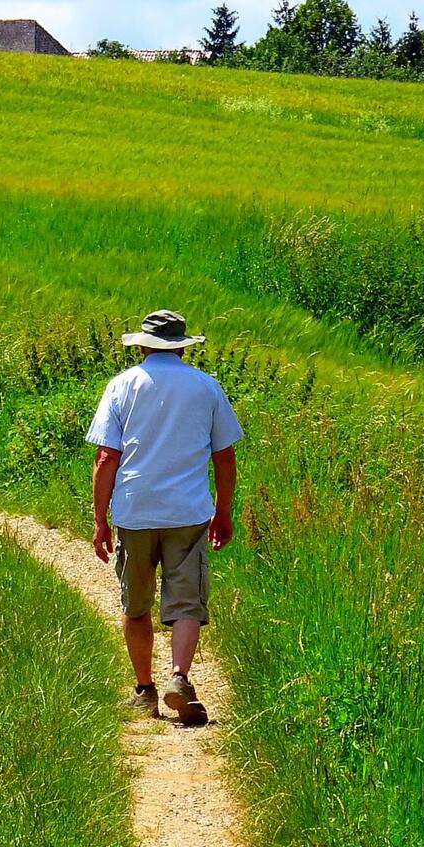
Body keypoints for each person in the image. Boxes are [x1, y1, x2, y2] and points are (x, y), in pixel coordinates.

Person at [87, 310, 242, 726]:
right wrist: (223, 511)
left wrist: (100, 519)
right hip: (188, 510)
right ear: (182, 347)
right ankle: (179, 678)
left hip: (135, 510)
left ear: (142, 345)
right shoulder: (207, 388)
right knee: (186, 600)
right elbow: (224, 456)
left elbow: (106, 457)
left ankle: (144, 690)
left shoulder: (121, 386)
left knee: (135, 603)